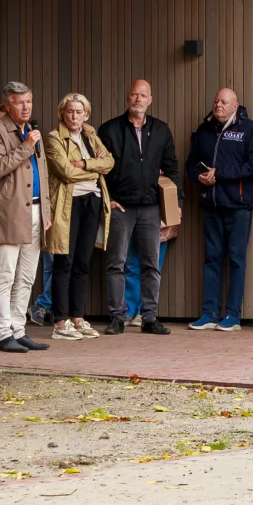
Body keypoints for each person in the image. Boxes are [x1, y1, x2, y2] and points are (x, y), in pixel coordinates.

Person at [97, 79, 180, 336]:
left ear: (150, 100)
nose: (138, 100)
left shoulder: (161, 130)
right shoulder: (109, 130)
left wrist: (173, 211)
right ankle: (117, 317)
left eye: (143, 96)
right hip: (120, 206)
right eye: (134, 95)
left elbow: (173, 171)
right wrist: (105, 198)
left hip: (151, 207)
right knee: (116, 263)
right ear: (127, 97)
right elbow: (97, 171)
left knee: (151, 264)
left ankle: (150, 318)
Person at [187, 88, 253, 331]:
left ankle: (232, 316)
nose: (218, 105)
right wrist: (200, 176)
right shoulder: (204, 129)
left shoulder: (248, 129)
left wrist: (220, 174)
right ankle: (209, 313)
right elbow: (190, 163)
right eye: (216, 100)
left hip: (238, 206)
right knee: (212, 259)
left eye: (224, 102)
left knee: (236, 260)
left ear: (235, 106)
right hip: (211, 204)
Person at [0, 82, 50, 354]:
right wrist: (25, 146)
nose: (26, 107)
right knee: (5, 274)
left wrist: (46, 210)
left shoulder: (32, 132)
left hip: (35, 211)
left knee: (26, 276)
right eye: (20, 102)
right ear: (8, 105)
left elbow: (42, 173)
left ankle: (19, 329)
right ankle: (2, 333)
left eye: (29, 101)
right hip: (10, 213)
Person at [43, 93, 114, 341]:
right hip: (68, 204)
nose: (75, 116)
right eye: (70, 111)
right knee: (65, 262)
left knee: (83, 262)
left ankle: (78, 318)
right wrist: (95, 170)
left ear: (86, 114)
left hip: (92, 202)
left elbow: (110, 162)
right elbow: (64, 172)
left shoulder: (91, 136)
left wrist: (84, 164)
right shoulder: (53, 139)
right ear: (62, 112)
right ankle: (60, 322)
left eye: (79, 111)